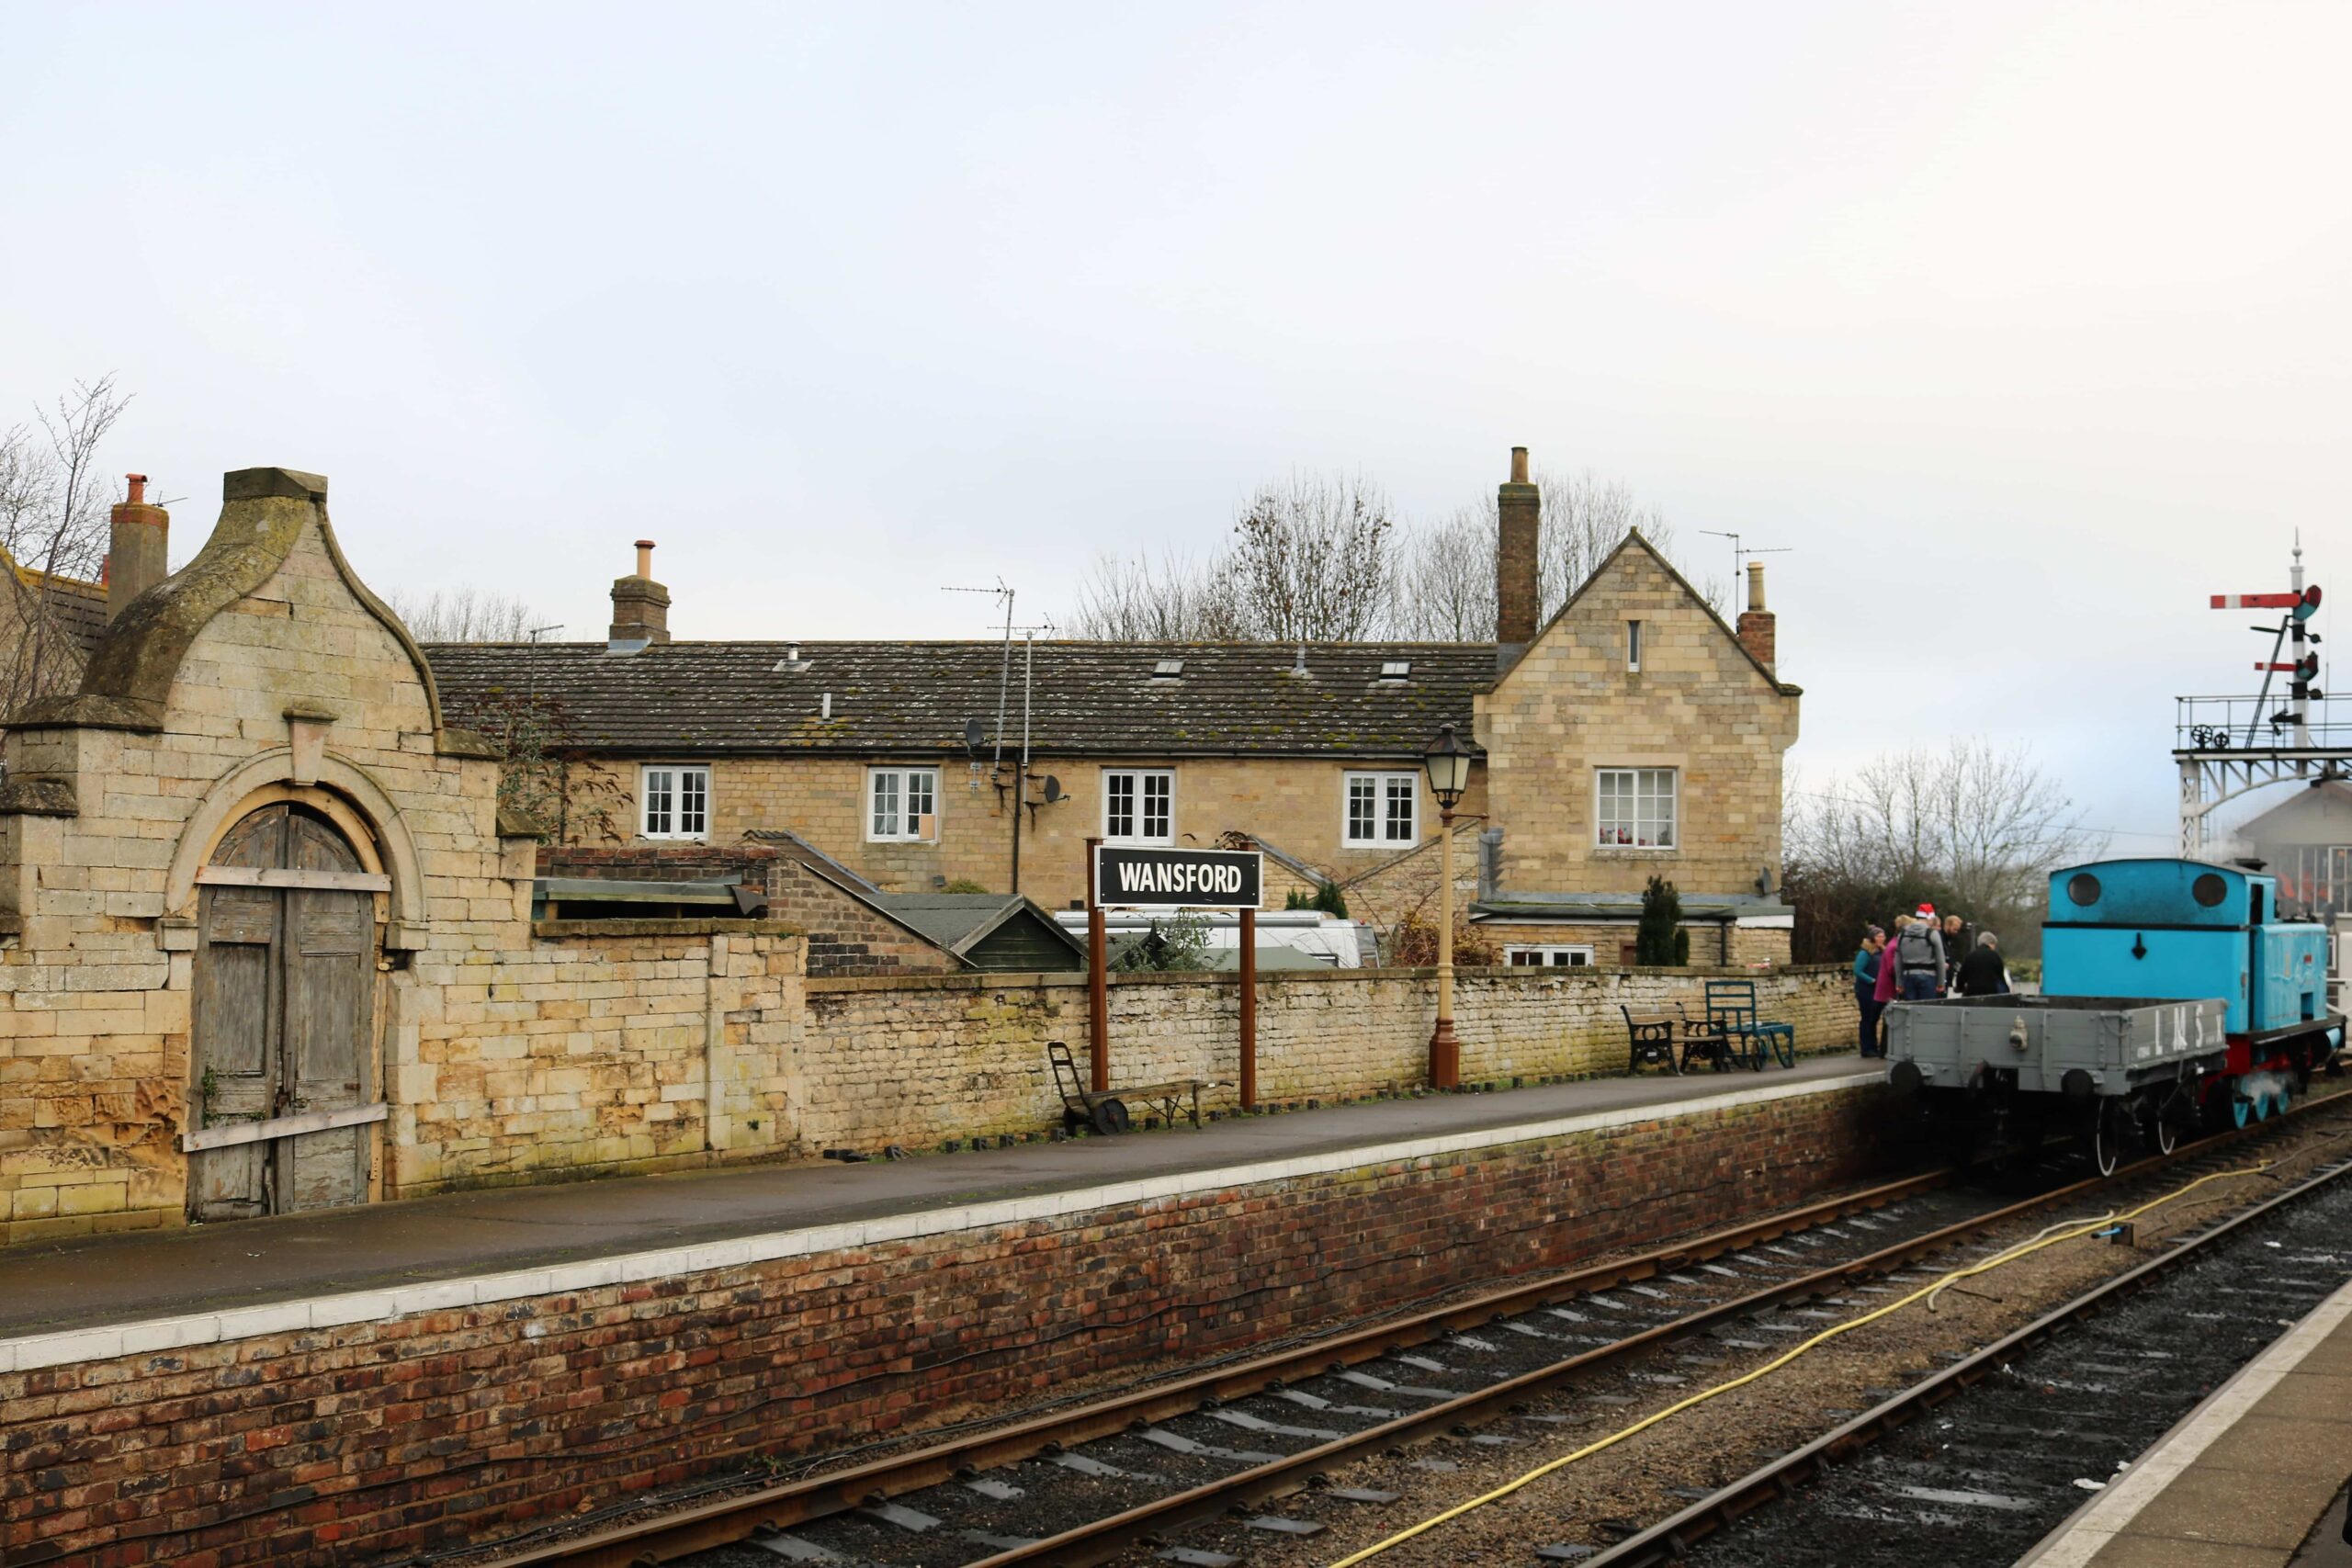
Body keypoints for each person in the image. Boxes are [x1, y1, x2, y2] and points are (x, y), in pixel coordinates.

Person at [1892, 903, 1946, 1000]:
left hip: (1908, 976)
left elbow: (1897, 960)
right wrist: (1941, 983)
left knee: (1910, 1010)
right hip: (1928, 976)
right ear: (1929, 917)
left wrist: (1899, 982)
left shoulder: (1902, 934)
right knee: (1926, 1010)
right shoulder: (1932, 934)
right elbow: (1940, 960)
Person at [1853, 926, 1886, 1055]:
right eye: (1879, 936)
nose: (1882, 939)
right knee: (1867, 1018)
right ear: (1872, 938)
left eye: (1883, 936)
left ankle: (1874, 1046)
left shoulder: (1881, 952)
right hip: (1866, 990)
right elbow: (1858, 971)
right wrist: (1871, 980)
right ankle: (1866, 1048)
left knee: (1874, 1019)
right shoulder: (1865, 953)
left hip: (1878, 990)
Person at [1955, 931, 2009, 997]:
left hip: (1972, 992)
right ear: (1991, 943)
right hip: (1991, 993)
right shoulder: (1995, 956)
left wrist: (1960, 988)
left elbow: (1962, 975)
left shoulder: (1970, 956)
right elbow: (2000, 977)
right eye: (1994, 945)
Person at [1942, 913, 1970, 989]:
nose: (1956, 932)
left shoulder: (1951, 940)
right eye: (1954, 929)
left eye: (1957, 930)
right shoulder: (1941, 939)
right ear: (1948, 925)